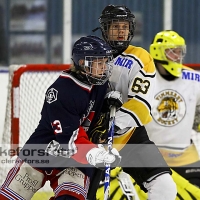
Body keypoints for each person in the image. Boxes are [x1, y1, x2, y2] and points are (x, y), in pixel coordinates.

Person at [0, 35, 122, 200]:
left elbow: (94, 115)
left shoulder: (100, 85)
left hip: (75, 158)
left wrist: (107, 103)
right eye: (99, 63)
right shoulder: (61, 91)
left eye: (105, 62)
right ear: (82, 63)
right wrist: (95, 153)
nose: (104, 67)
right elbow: (68, 140)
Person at [90, 4, 177, 200]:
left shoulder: (140, 57)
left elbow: (141, 105)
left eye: (125, 27)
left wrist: (113, 125)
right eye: (115, 27)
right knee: (82, 194)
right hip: (93, 139)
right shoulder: (90, 52)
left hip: (130, 135)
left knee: (165, 188)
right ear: (105, 29)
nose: (121, 32)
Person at [145, 30, 200, 187]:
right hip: (149, 156)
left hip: (185, 157)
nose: (177, 56)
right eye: (172, 51)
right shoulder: (143, 78)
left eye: (179, 51)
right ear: (158, 51)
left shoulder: (194, 78)